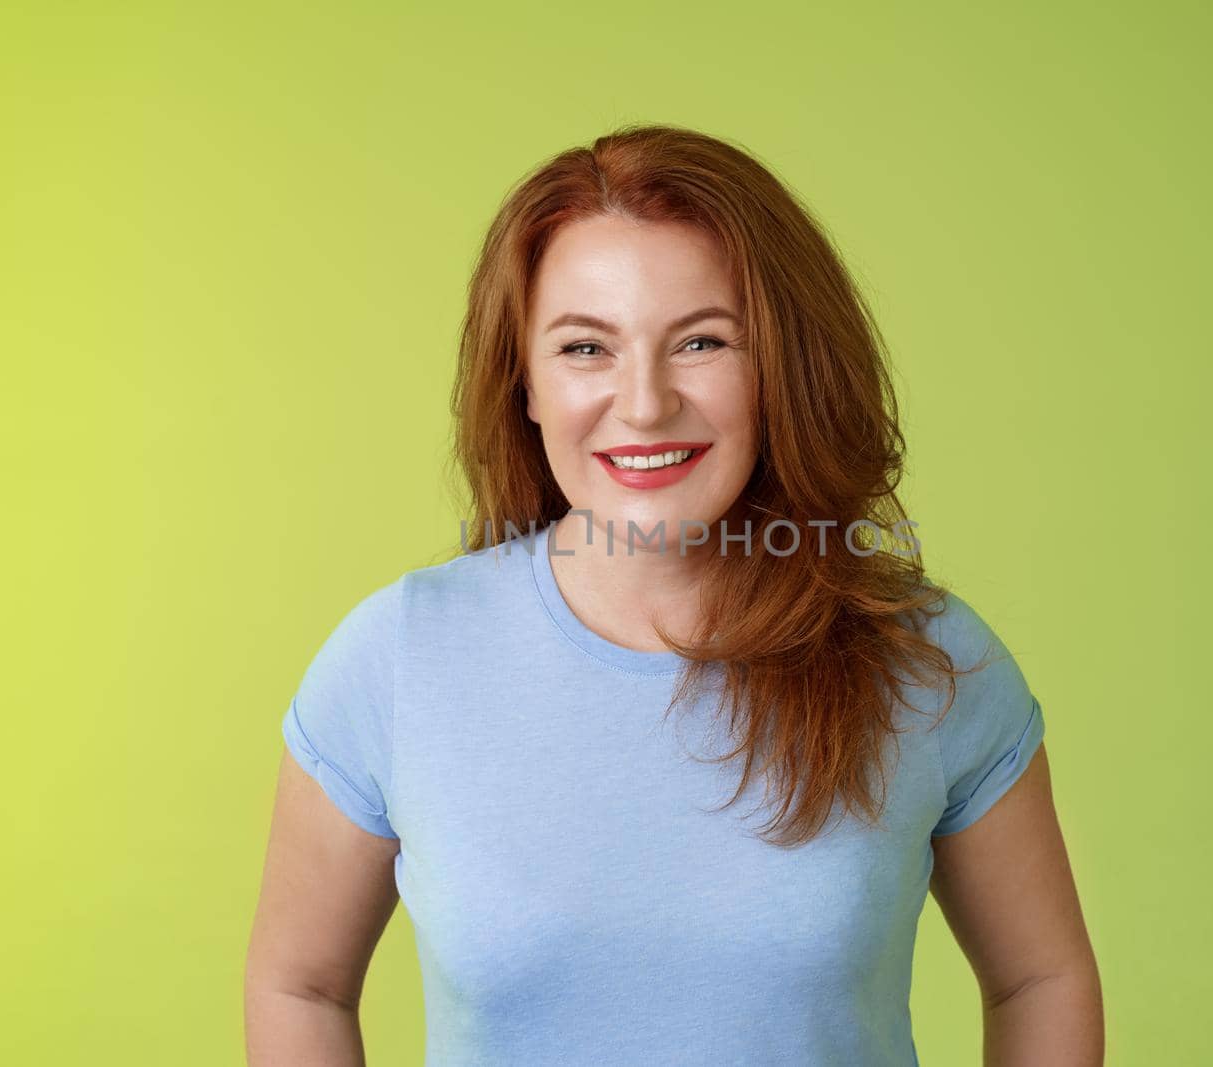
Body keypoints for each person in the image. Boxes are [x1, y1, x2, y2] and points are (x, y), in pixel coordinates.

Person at [244, 123, 1103, 1065]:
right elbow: (302, 984)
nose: (645, 403)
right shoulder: (399, 657)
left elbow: (1038, 979)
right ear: (523, 382)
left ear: (779, 366)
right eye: (585, 349)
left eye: (701, 341)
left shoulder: (923, 654)